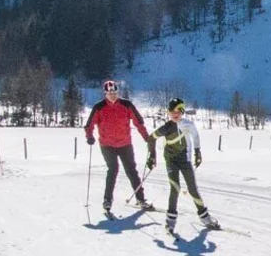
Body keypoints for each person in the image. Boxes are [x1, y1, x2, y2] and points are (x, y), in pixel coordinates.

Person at [83, 80, 156, 215]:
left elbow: (138, 122)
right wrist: (89, 136)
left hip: (125, 144)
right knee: (113, 169)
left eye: (115, 92)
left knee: (131, 171)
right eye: (110, 92)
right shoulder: (99, 107)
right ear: (105, 93)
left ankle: (141, 199)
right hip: (107, 145)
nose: (112, 95)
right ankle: (107, 200)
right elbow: (89, 125)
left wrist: (147, 138)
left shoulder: (126, 105)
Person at [149, 98, 218, 233]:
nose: (175, 114)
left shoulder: (188, 125)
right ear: (168, 112)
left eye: (178, 111)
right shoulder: (167, 127)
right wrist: (152, 156)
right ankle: (170, 221)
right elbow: (151, 138)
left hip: (185, 160)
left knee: (193, 189)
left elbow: (195, 136)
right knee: (175, 188)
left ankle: (205, 217)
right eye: (172, 111)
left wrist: (198, 153)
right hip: (171, 160)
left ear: (182, 112)